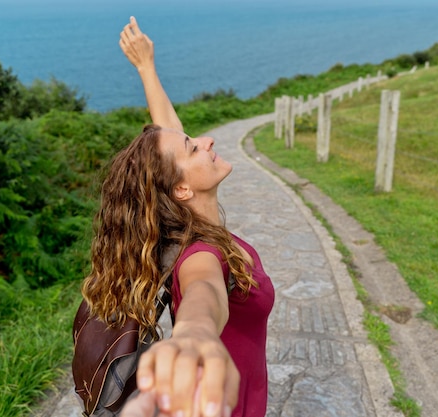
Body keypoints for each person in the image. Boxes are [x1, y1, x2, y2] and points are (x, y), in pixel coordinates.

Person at [82, 16, 275, 417]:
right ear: (183, 190)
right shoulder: (201, 254)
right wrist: (193, 334)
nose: (207, 140)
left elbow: (169, 147)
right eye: (193, 147)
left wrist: (146, 67)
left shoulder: (193, 226)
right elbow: (203, 294)